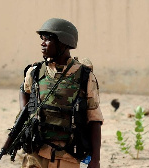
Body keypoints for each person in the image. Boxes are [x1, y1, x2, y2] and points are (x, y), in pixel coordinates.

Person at [19, 18, 103, 168]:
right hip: (36, 153)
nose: (42, 43)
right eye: (42, 39)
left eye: (48, 39)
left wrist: (95, 160)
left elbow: (94, 119)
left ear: (63, 43)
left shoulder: (84, 76)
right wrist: (27, 117)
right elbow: (24, 91)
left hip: (68, 156)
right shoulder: (35, 72)